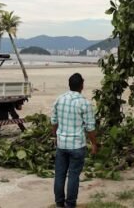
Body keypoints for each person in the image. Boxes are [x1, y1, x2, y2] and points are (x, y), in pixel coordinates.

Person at [51, 73, 97, 208]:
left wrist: (55, 136)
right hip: (77, 145)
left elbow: (54, 121)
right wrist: (94, 143)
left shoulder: (60, 99)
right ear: (82, 85)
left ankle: (59, 202)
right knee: (73, 176)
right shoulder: (85, 103)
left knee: (59, 174)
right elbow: (90, 127)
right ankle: (70, 204)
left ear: (69, 85)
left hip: (62, 144)